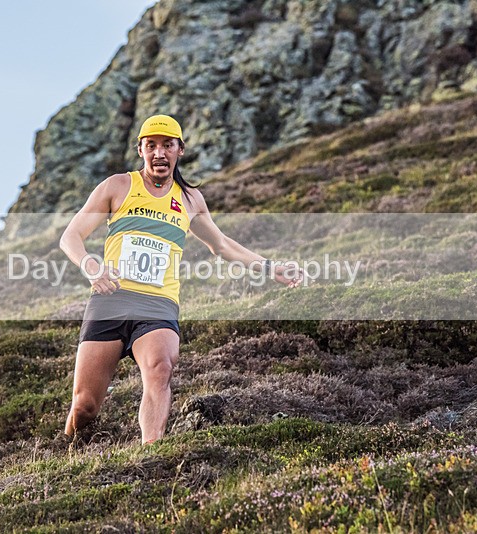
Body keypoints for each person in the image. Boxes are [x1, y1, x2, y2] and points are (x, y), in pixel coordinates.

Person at [60, 114, 302, 445]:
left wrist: (269, 266)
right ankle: (69, 448)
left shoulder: (189, 200)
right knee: (85, 406)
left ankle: (150, 456)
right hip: (111, 301)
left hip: (158, 304)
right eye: (151, 146)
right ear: (141, 150)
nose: (159, 153)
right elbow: (71, 236)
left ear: (180, 150)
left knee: (160, 369)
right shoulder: (117, 186)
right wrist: (90, 265)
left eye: (167, 146)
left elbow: (221, 245)